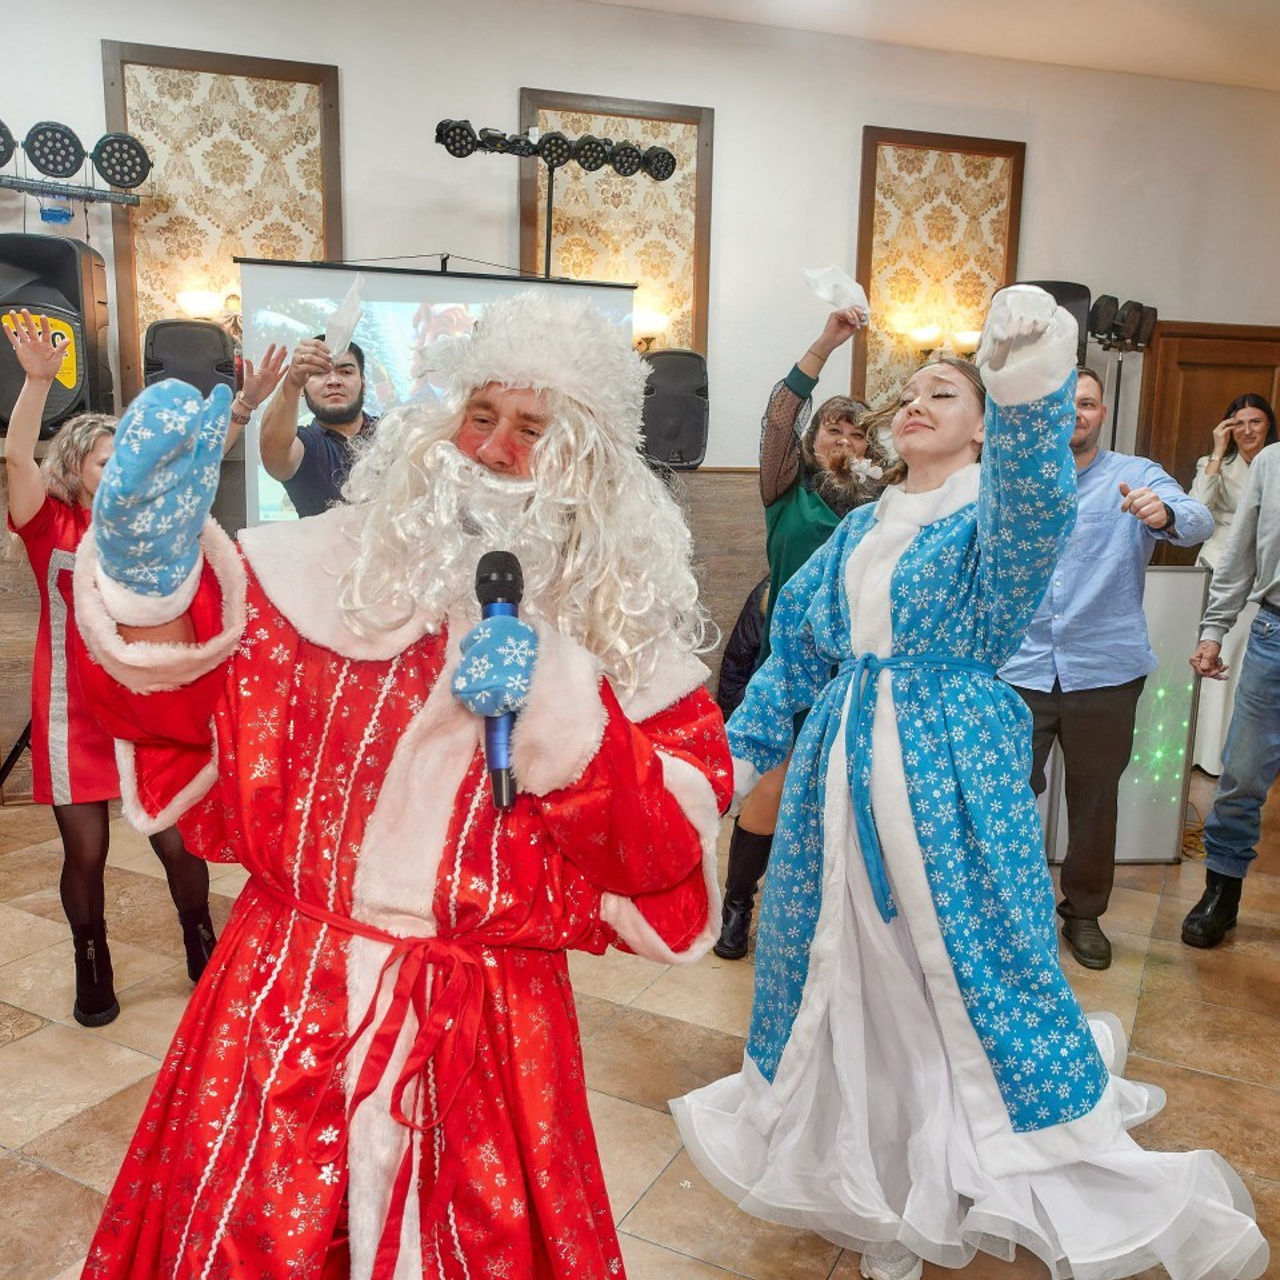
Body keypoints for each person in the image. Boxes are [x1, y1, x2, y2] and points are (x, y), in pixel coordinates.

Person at [72, 291, 730, 1280]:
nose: (492, 449)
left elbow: (660, 855)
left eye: (532, 430)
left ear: (589, 468)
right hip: (288, 993)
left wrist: (562, 703)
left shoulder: (630, 645)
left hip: (488, 1028)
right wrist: (147, 575)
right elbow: (179, 710)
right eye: (480, 415)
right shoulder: (313, 571)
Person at [672, 286, 1267, 1280]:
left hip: (948, 768)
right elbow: (792, 656)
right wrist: (730, 762)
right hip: (838, 773)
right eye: (909, 395)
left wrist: (1026, 371)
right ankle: (869, 1152)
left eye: (943, 394)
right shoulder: (856, 529)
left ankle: (969, 1146)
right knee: (849, 958)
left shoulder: (998, 518)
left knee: (956, 956)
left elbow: (1036, 489)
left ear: (988, 422)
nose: (915, 404)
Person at [2, 309, 219, 1026]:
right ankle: (89, 959)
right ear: (77, 469)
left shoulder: (153, 530)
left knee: (177, 841)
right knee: (86, 853)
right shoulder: (50, 524)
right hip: (72, 713)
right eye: (106, 458)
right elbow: (16, 462)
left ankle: (202, 944)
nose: (123, 465)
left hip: (144, 710)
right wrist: (37, 384)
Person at [999, 366, 1212, 970]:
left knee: (1095, 801)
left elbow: (1198, 520)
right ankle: (1007, 911)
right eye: (1064, 402)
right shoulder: (1015, 478)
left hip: (1107, 671)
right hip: (1020, 670)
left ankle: (1084, 913)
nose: (1076, 412)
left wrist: (1163, 514)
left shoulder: (1135, 474)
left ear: (1102, 413)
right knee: (1003, 795)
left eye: (1087, 403)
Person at [715, 305, 887, 959]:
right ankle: (738, 907)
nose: (843, 440)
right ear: (813, 440)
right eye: (833, 429)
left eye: (857, 434)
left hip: (858, 666)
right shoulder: (787, 490)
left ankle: (832, 918)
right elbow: (778, 416)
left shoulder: (884, 505)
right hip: (788, 662)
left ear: (870, 447)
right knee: (774, 784)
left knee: (845, 791)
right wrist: (825, 343)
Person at [1185, 440, 1280, 947]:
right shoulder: (1272, 463)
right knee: (1241, 774)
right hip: (1274, 635)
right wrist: (1213, 630)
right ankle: (1221, 892)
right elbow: (1240, 551)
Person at [1189, 394, 1278, 774]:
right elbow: (1198, 509)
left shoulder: (1274, 464)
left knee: (1244, 669)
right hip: (1217, 570)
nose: (1247, 430)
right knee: (1213, 662)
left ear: (1268, 424)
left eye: (1255, 421)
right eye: (1238, 423)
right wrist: (1217, 449)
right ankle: (1200, 754)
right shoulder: (1215, 464)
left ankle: (1235, 759)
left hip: (1263, 581)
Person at [258, 335, 379, 516]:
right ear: (302, 388)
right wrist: (292, 382)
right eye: (319, 373)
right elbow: (273, 447)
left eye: (346, 372)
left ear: (363, 383)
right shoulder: (305, 446)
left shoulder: (393, 432)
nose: (334, 381)